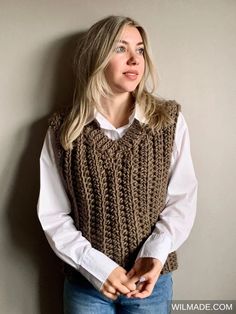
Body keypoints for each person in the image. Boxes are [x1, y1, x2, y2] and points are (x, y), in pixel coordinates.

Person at [37, 15, 198, 314]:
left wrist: (154, 255)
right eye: (121, 49)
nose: (135, 59)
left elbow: (182, 198)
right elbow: (53, 214)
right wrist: (95, 267)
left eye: (140, 50)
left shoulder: (167, 121)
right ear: (97, 57)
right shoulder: (63, 130)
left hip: (151, 283)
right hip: (87, 286)